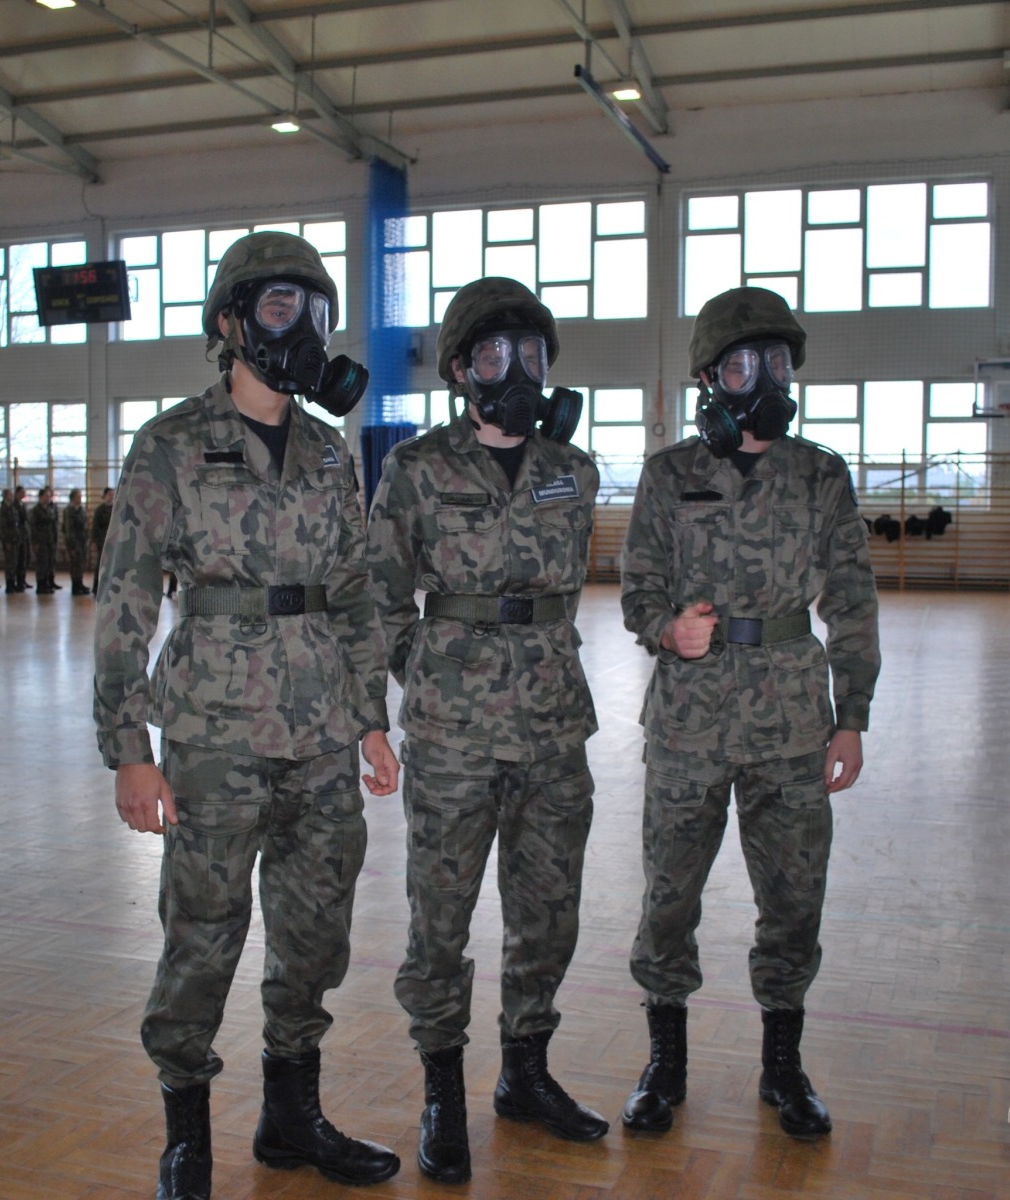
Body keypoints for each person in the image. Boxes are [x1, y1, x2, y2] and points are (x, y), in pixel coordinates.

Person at [94, 230, 401, 1198]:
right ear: (229, 322)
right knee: (203, 932)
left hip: (321, 734)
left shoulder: (327, 450)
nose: (299, 326)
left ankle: (290, 1117)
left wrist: (370, 716)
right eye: (277, 306)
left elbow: (352, 591)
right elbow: (125, 599)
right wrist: (128, 749)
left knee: (315, 934)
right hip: (213, 735)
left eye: (314, 310)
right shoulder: (171, 443)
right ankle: (186, 1136)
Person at [618, 286, 881, 1139]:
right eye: (741, 365)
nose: (762, 378)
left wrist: (852, 715)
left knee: (794, 900)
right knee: (669, 899)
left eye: (774, 362)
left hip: (793, 724)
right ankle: (665, 1063)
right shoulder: (670, 475)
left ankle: (783, 1066)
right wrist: (667, 628)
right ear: (708, 378)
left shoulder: (820, 475)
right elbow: (637, 588)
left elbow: (852, 600)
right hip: (688, 723)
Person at [365, 276, 608, 1185]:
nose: (519, 369)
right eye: (498, 353)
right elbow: (381, 597)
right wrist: (424, 673)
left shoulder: (572, 471)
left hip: (553, 727)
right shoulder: (418, 468)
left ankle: (525, 1073)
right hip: (453, 736)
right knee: (441, 917)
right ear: (463, 370)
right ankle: (442, 1092)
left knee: (549, 912)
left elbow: (566, 592)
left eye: (532, 352)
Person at [30, 486, 58, 594]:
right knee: (42, 563)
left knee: (48, 563)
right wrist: (35, 542)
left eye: (49, 496)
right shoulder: (36, 510)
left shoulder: (49, 508)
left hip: (49, 539)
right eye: (46, 496)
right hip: (41, 540)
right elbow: (33, 527)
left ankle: (47, 583)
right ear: (41, 497)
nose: (48, 498)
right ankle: (40, 585)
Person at [62, 488, 90, 595]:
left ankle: (80, 583)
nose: (80, 498)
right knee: (75, 564)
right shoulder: (69, 511)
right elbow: (68, 530)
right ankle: (75, 586)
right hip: (75, 542)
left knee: (81, 563)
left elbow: (85, 525)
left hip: (82, 541)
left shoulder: (81, 510)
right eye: (78, 496)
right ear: (73, 498)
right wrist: (71, 546)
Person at [89, 486, 114, 596]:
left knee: (111, 565)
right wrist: (94, 541)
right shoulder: (100, 510)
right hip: (102, 541)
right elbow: (95, 527)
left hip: (112, 541)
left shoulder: (115, 509)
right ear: (104, 496)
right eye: (109, 494)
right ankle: (96, 586)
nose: (111, 497)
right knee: (100, 564)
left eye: (113, 495)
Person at [0, 487, 21, 593]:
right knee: (10, 562)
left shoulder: (12, 507)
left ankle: (13, 582)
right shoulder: (3, 509)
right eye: (9, 495)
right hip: (8, 539)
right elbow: (3, 526)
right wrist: (6, 540)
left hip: (14, 538)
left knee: (14, 562)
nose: (11, 496)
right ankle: (9, 584)